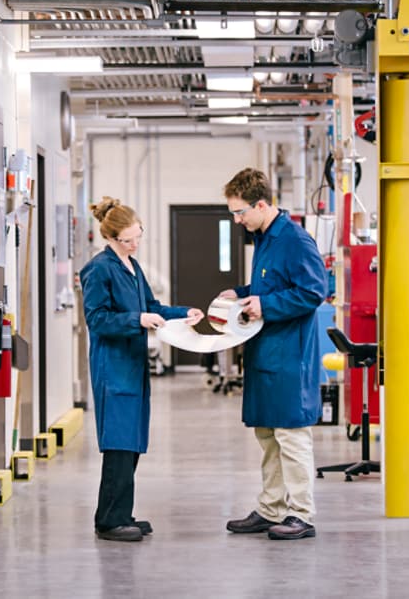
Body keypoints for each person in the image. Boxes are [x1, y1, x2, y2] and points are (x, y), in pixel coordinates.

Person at [79, 196, 204, 542]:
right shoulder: (99, 268)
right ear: (112, 237)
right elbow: (97, 319)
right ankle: (109, 521)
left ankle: (119, 512)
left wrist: (183, 313)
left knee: (131, 442)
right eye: (129, 239)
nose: (135, 244)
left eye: (139, 236)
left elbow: (153, 306)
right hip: (113, 366)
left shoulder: (132, 267)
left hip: (132, 365)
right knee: (119, 443)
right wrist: (138, 320)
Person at [219, 168, 328, 540]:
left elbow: (313, 292)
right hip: (266, 351)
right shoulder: (264, 237)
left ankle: (301, 514)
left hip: (289, 354)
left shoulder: (295, 241)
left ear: (261, 204)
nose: (237, 220)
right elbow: (273, 283)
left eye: (239, 212)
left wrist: (265, 304)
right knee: (268, 435)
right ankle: (272, 508)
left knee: (291, 434)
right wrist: (241, 292)